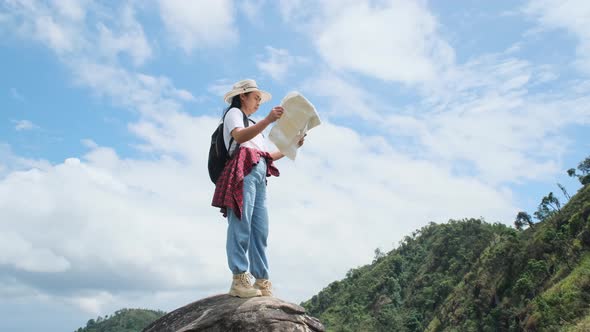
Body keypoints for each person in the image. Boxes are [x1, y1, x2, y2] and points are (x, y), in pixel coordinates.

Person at [212, 79, 304, 298]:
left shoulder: (254, 126)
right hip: (242, 170)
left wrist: (293, 144)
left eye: (260, 100)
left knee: (260, 231)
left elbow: (267, 156)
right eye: (256, 98)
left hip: (259, 172)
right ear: (243, 96)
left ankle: (262, 280)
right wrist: (269, 119)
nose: (258, 103)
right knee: (241, 224)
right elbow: (239, 136)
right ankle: (239, 278)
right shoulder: (234, 113)